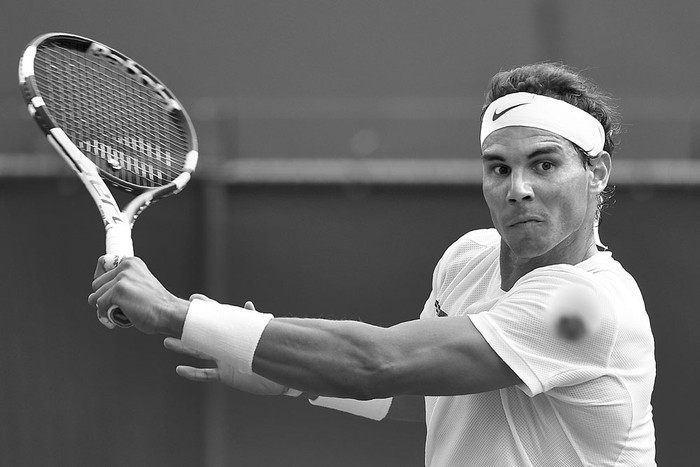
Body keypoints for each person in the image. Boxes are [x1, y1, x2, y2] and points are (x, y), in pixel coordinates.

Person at [88, 62, 656, 466]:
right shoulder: (468, 259)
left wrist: (173, 313)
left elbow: (377, 363)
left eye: (544, 165)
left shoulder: (583, 308)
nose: (519, 189)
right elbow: (427, 396)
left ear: (598, 173)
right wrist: (288, 377)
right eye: (499, 168)